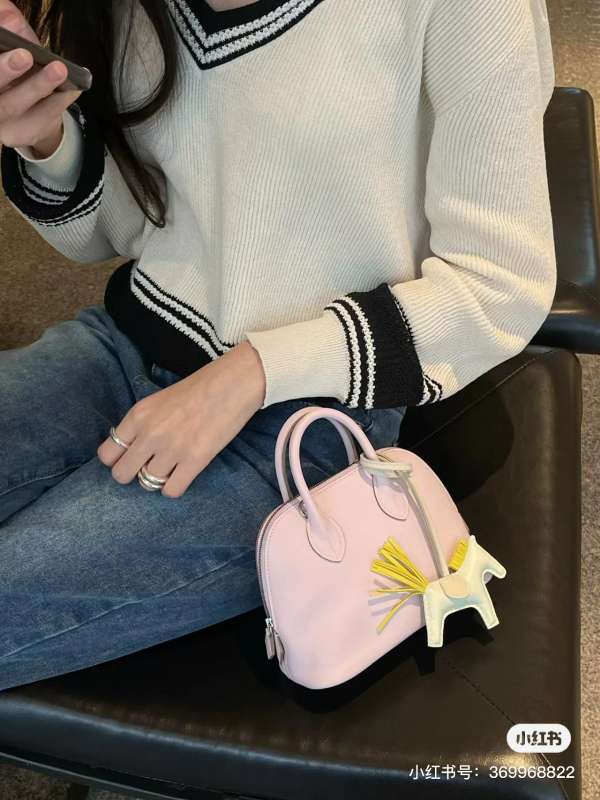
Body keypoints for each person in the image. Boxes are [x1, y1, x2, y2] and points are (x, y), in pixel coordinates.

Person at [0, 0, 557, 691]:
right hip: (123, 345)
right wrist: (47, 140)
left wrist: (253, 371)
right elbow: (121, 230)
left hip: (309, 419)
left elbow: (500, 285)